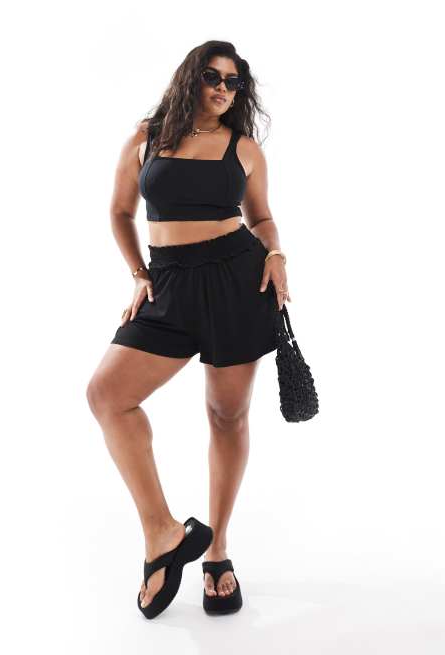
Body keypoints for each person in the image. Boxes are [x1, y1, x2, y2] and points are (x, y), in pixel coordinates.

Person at [86, 40, 291, 618]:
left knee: (226, 414)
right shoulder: (146, 138)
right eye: (212, 76)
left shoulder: (243, 148)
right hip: (169, 285)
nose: (224, 88)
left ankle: (217, 550)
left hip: (236, 282)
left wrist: (276, 254)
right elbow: (120, 212)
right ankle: (163, 533)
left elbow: (261, 217)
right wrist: (139, 274)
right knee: (107, 395)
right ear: (190, 79)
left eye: (234, 81)